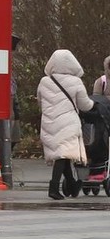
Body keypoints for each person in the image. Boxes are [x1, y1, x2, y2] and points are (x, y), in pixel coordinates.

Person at [38, 49, 94, 200]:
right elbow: (85, 105)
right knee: (63, 155)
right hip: (68, 122)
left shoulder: (44, 81)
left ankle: (72, 184)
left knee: (63, 154)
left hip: (49, 121)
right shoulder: (76, 82)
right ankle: (53, 188)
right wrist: (95, 103)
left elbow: (40, 102)